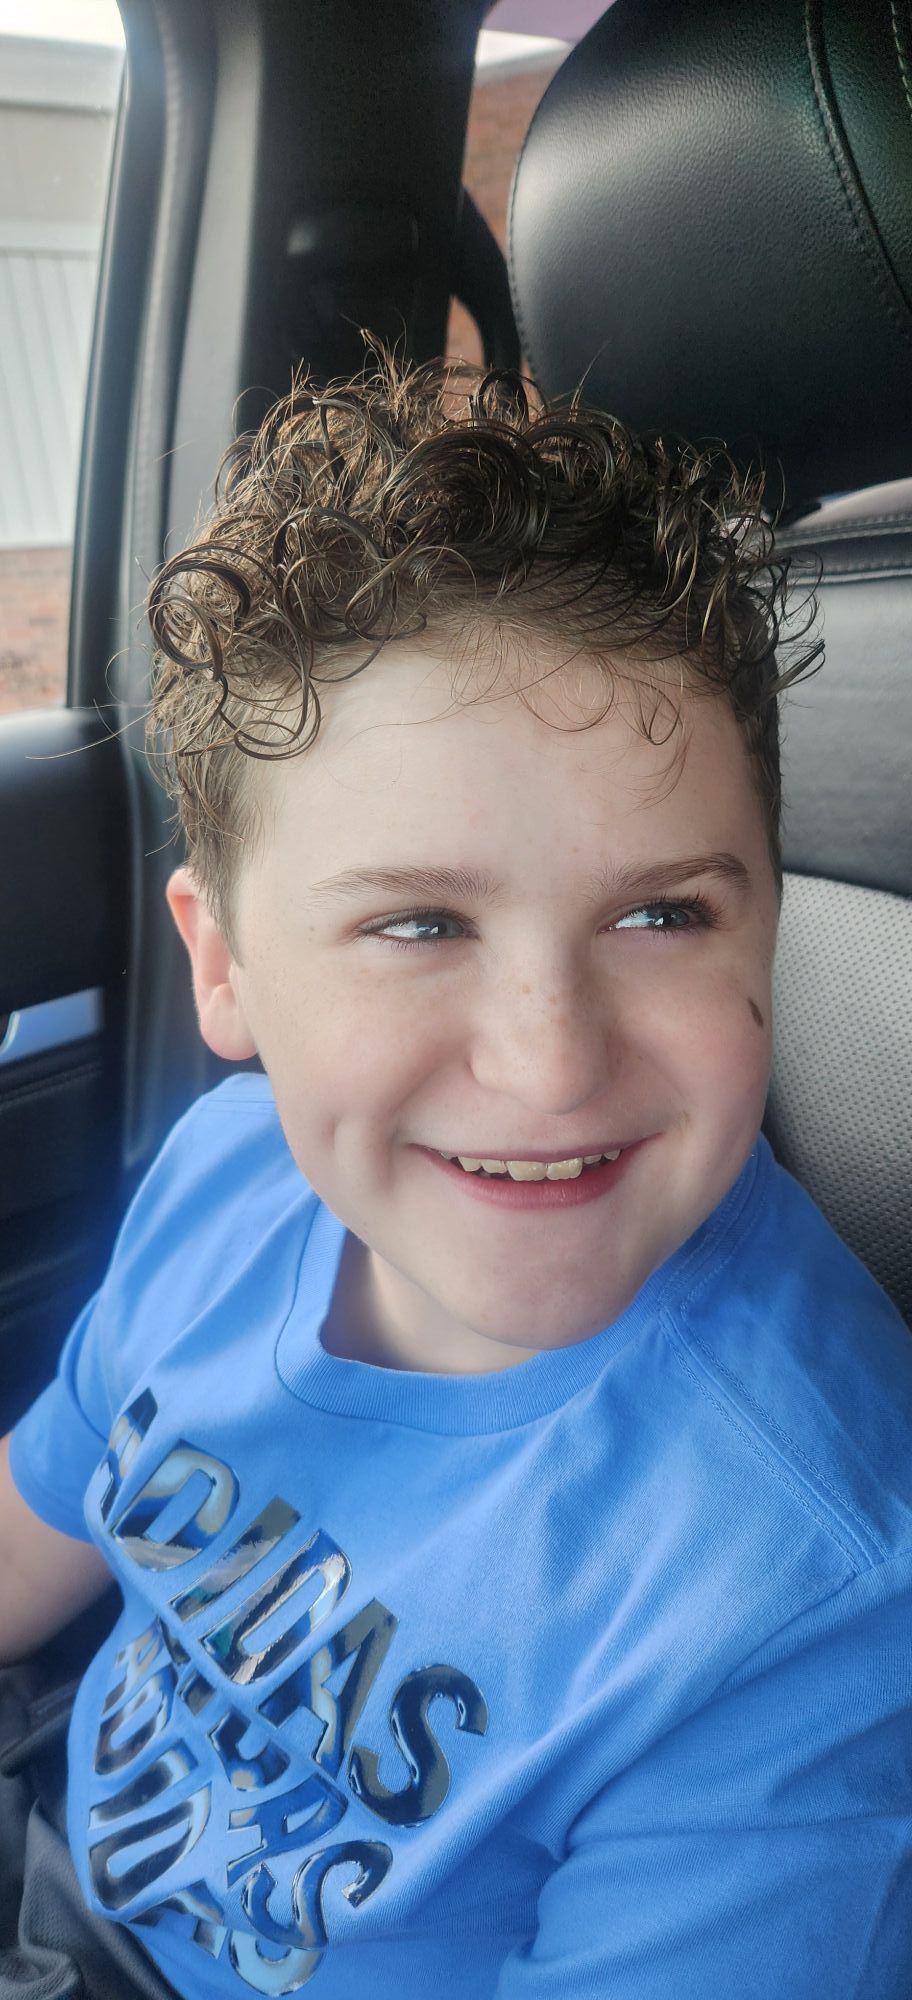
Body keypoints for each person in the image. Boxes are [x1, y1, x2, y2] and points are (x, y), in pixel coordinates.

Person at [1, 341, 910, 2000]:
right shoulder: (224, 1183)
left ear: (769, 920)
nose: (551, 1060)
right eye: (417, 924)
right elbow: (35, 1530)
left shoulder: (809, 1586)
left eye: (662, 914)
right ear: (226, 969)